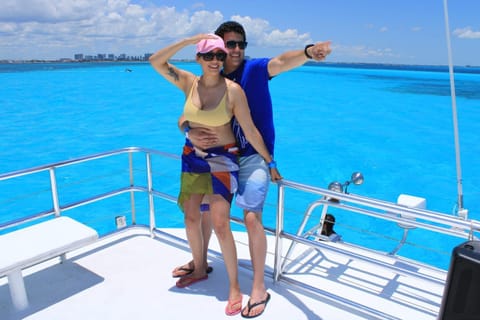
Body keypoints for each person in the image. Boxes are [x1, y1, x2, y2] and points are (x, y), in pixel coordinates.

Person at [174, 21, 332, 318]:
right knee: (206, 213)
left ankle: (258, 287)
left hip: (253, 158)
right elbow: (187, 116)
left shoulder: (255, 70)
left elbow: (282, 61)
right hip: (220, 156)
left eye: (240, 44)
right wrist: (187, 132)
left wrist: (309, 51)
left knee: (250, 217)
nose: (235, 50)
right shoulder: (211, 75)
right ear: (217, 49)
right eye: (228, 45)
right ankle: (200, 263)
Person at [149, 33, 281, 316]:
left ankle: (234, 286)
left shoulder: (233, 91)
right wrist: (189, 40)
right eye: (208, 55)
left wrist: (269, 162)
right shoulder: (188, 82)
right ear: (198, 58)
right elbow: (156, 61)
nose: (215, 60)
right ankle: (199, 268)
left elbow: (250, 130)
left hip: (222, 161)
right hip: (192, 158)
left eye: (219, 55)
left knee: (221, 224)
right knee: (191, 216)